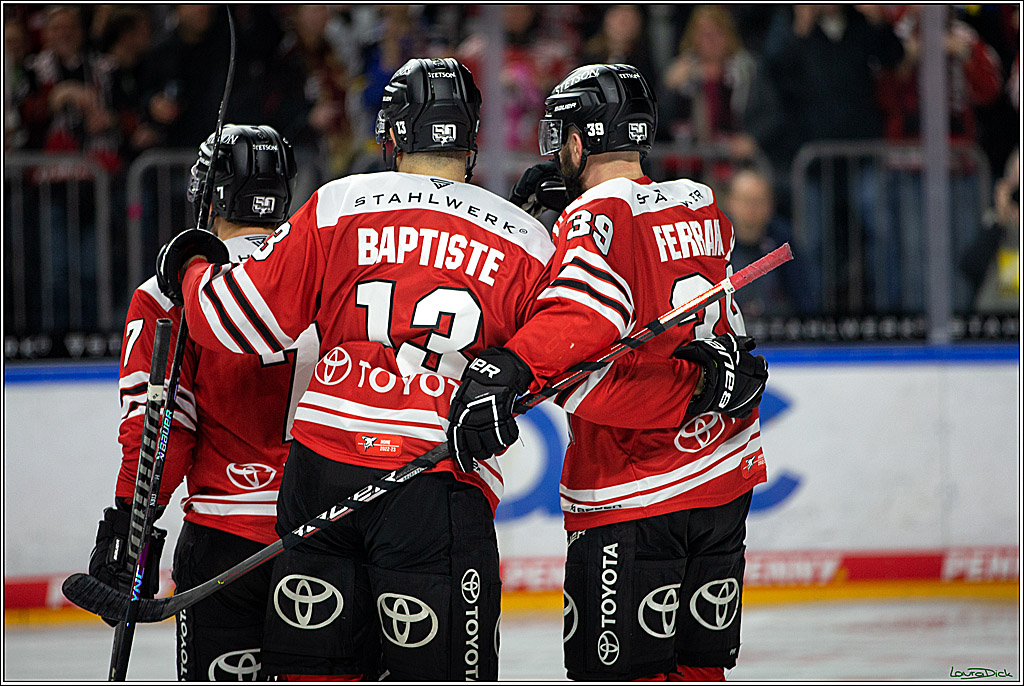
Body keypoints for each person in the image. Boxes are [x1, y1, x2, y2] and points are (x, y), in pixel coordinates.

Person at [157, 57, 708, 680]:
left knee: (318, 671)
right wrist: (512, 364)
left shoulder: (339, 203)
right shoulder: (523, 237)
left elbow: (238, 324)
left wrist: (192, 268)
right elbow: (600, 309)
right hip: (436, 478)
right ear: (472, 143)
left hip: (322, 474)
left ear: (391, 135)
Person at [447, 64, 769, 681]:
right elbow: (715, 330)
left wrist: (511, 368)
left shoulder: (594, 221)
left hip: (634, 488)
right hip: (724, 476)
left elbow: (577, 349)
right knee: (699, 670)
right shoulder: (700, 201)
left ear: (575, 142)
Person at [88, 123, 321, 680]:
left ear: (211, 194)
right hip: (322, 535)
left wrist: (130, 527)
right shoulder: (323, 275)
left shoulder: (168, 289)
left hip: (224, 541)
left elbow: (159, 429)